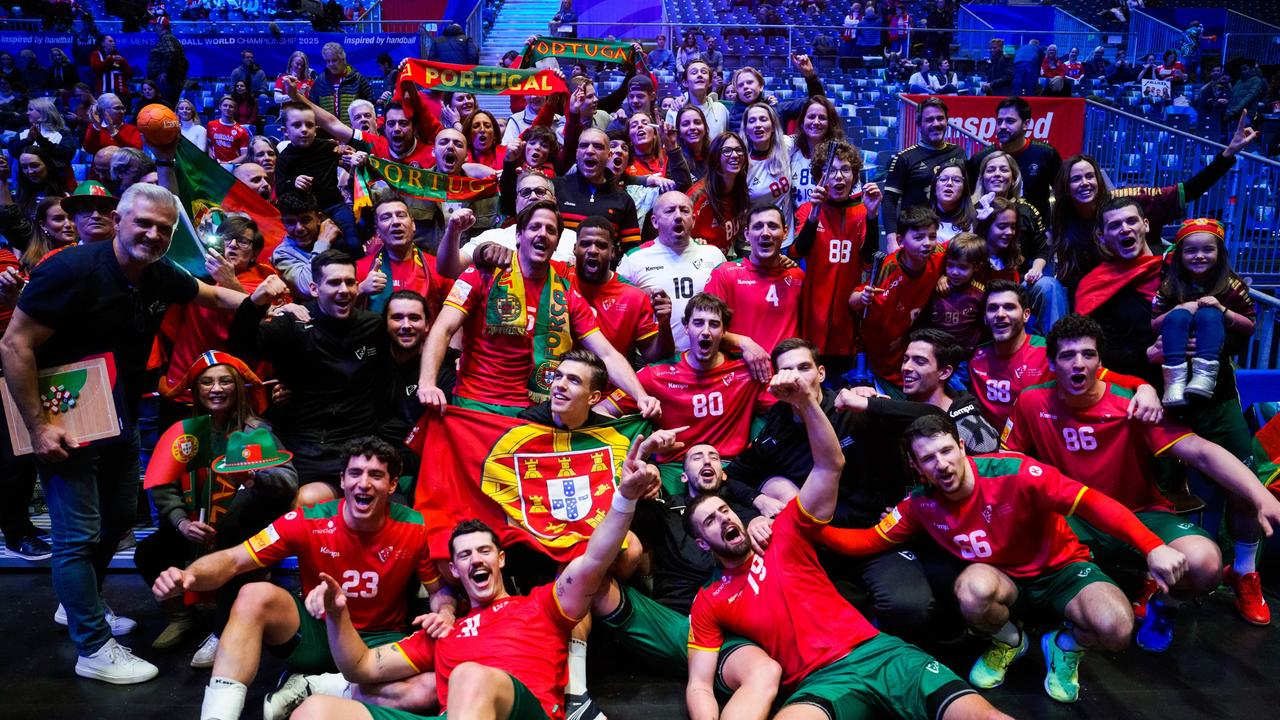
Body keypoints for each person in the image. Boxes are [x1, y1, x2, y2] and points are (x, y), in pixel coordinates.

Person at [0, 183, 271, 684]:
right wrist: (39, 427)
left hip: (117, 415)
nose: (152, 234)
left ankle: (77, 604)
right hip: (66, 422)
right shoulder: (70, 270)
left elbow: (210, 293)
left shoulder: (155, 273)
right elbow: (14, 344)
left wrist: (263, 302)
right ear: (118, 220)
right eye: (143, 223)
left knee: (120, 517)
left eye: (163, 229)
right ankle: (93, 646)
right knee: (77, 534)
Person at [684, 370, 1010, 719]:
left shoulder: (785, 532)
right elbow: (699, 685)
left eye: (724, 510)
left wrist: (806, 402)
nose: (725, 519)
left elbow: (829, 465)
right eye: (711, 521)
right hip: (819, 682)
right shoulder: (710, 600)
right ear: (703, 544)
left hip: (880, 654)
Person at [287, 428, 666, 720]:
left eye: (484, 550)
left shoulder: (540, 605)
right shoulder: (443, 631)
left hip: (521, 712)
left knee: (472, 674)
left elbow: (595, 559)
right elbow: (360, 667)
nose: (475, 559)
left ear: (501, 560)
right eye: (464, 555)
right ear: (454, 570)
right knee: (316, 711)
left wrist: (625, 497)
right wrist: (339, 614)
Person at [822, 414, 1187, 704]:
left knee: (1117, 629)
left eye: (947, 451)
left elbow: (1092, 502)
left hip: (1062, 569)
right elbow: (867, 542)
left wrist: (1152, 545)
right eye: (929, 459)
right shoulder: (919, 504)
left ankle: (1064, 647)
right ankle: (1010, 641)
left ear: (963, 446)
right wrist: (805, 524)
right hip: (1003, 582)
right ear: (917, 467)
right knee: (971, 589)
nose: (942, 465)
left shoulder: (1016, 472)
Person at [1002, 314, 1280, 652]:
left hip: (1140, 512)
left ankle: (1165, 607)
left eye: (1088, 355)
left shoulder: (1133, 405)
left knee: (1205, 562)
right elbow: (1008, 465)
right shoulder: (1032, 401)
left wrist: (1259, 495)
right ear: (1051, 362)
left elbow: (1202, 452)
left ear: (1100, 361)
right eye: (1067, 356)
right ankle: (1051, 629)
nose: (1079, 364)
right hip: (1073, 515)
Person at [151, 437, 457, 720]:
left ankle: (318, 687)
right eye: (355, 473)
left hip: (379, 644)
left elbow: (438, 590)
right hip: (318, 633)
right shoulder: (307, 520)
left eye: (376, 475)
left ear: (391, 486)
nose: (363, 484)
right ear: (342, 481)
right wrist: (189, 575)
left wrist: (444, 610)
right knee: (253, 594)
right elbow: (232, 560)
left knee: (428, 690)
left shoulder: (415, 527)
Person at [418, 200, 658, 418]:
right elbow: (443, 328)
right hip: (477, 405)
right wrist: (428, 383)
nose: (543, 234)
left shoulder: (567, 294)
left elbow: (607, 354)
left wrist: (641, 396)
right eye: (535, 227)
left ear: (556, 243)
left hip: (536, 413)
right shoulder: (483, 274)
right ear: (519, 236)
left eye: (551, 230)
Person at [138, 353, 297, 663]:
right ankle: (183, 617)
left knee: (231, 546)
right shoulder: (184, 433)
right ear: (196, 390)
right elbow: (163, 484)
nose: (216, 388)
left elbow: (288, 480)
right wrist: (181, 522)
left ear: (237, 387)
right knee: (149, 553)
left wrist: (254, 478)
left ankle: (223, 629)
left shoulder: (256, 431)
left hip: (240, 529)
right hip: (195, 527)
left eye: (225, 381)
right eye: (207, 382)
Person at [229, 250, 388, 503]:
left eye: (350, 282)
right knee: (253, 508)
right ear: (314, 288)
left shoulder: (373, 326)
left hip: (357, 444)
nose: (344, 289)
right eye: (334, 282)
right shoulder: (294, 322)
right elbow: (240, 347)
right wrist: (256, 301)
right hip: (303, 445)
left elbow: (390, 376)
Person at [1052, 115, 1256, 293]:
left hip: (1154, 285)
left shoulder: (1131, 201)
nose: (1085, 183)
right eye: (1076, 179)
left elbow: (1191, 189)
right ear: (1066, 186)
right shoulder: (1063, 218)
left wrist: (1228, 154)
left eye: (1090, 176)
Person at [604, 292, 772, 494]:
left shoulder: (747, 371)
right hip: (673, 470)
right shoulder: (656, 375)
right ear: (686, 327)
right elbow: (602, 412)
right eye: (698, 323)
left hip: (731, 468)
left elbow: (786, 411)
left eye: (714, 324)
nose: (706, 331)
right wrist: (642, 439)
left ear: (725, 331)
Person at [968, 279, 1160, 429]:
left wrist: (1144, 388)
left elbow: (1102, 376)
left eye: (1009, 307)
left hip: (1045, 442)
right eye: (993, 308)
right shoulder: (976, 357)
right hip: (993, 449)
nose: (1000, 314)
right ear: (985, 318)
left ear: (1026, 315)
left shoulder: (1050, 352)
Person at [792, 140, 880, 374]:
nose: (839, 177)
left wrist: (872, 217)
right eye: (831, 171)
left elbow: (868, 259)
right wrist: (814, 214)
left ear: (854, 175)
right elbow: (797, 251)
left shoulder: (862, 211)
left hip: (847, 313)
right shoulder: (807, 210)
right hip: (813, 311)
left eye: (846, 170)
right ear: (821, 176)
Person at [1152, 218, 1254, 406]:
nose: (1199, 256)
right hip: (1174, 360)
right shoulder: (1169, 285)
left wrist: (1223, 311)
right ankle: (1174, 380)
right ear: (1180, 255)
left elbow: (1249, 326)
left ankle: (1204, 376)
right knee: (1179, 315)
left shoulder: (1233, 285)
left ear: (1220, 253)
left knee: (1209, 313)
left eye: (1208, 250)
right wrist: (1179, 308)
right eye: (1191, 251)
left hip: (1219, 377)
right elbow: (1154, 324)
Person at [617, 191, 729, 350]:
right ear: (655, 222)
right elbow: (619, 311)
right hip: (654, 357)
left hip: (707, 354)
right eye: (670, 211)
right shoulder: (634, 259)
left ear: (694, 220)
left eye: (684, 210)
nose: (678, 216)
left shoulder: (714, 255)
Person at [852, 206, 946, 387]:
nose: (927, 243)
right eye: (919, 237)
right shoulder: (888, 268)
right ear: (900, 240)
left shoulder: (938, 254)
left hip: (908, 341)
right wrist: (862, 298)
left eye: (932, 236)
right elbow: (853, 299)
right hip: (879, 346)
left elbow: (963, 246)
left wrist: (947, 274)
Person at [571, 216, 674, 361]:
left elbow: (654, 355)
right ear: (575, 248)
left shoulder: (633, 296)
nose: (593, 250)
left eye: (601, 245)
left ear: (613, 252)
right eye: (585, 243)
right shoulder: (559, 278)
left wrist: (664, 324)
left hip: (611, 382)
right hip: (560, 381)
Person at [704, 204, 804, 353]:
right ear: (746, 234)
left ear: (785, 233)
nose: (765, 233)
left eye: (773, 226)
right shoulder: (725, 274)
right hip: (739, 371)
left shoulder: (797, 276)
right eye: (757, 227)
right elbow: (705, 330)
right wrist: (743, 343)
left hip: (785, 372)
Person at [274, 102, 361, 255]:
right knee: (335, 246)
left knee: (353, 242)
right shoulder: (284, 158)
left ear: (316, 129)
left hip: (335, 205)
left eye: (309, 125)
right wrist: (293, 182)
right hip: (309, 214)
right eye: (296, 125)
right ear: (285, 131)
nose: (304, 130)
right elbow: (280, 190)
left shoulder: (328, 148)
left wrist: (347, 152)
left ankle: (362, 273)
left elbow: (347, 153)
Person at [882, 98, 965, 251]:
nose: (936, 124)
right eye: (929, 120)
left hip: (951, 236)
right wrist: (891, 240)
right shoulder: (904, 158)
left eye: (940, 118)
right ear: (919, 125)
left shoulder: (959, 153)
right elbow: (889, 201)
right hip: (916, 237)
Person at [684, 133, 750, 255]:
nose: (735, 155)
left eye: (739, 150)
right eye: (727, 151)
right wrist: (693, 243)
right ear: (716, 158)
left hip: (722, 262)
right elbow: (679, 236)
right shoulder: (698, 195)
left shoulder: (740, 189)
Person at [920, 233, 989, 351]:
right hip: (934, 352)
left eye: (963, 267)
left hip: (963, 355)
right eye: (950, 265)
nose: (954, 272)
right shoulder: (936, 288)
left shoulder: (980, 294)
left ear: (977, 267)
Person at [271, 190, 341, 300]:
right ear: (283, 223)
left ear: (318, 218)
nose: (299, 228)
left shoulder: (336, 235)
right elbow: (307, 287)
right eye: (291, 222)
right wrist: (323, 243)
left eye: (306, 220)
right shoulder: (282, 253)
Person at [311, 42, 374, 123]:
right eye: (328, 61)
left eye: (334, 60)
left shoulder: (357, 78)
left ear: (343, 59)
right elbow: (313, 107)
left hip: (353, 131)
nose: (331, 64)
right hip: (326, 132)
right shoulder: (319, 81)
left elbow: (370, 104)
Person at [147, 23, 187, 105]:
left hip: (166, 81)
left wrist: (165, 72)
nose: (154, 29)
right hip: (170, 81)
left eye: (155, 26)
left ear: (160, 27)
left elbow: (170, 52)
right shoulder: (170, 38)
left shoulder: (166, 37)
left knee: (165, 104)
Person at [208, 96, 251, 165]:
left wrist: (228, 163)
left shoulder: (242, 131)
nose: (227, 108)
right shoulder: (211, 125)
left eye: (231, 106)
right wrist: (211, 156)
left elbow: (245, 155)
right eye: (225, 105)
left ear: (235, 109)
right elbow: (209, 145)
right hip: (215, 164)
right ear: (220, 107)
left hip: (232, 165)